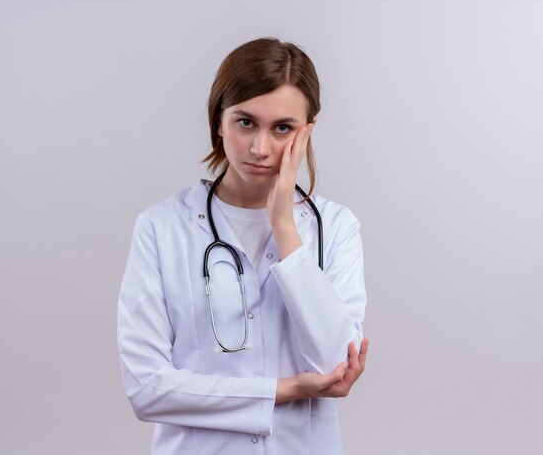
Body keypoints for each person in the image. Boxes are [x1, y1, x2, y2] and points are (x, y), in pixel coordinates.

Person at [118, 37, 369, 455]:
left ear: (307, 131)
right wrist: (283, 390)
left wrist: (285, 228)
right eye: (245, 122)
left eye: (282, 128)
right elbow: (146, 388)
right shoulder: (161, 228)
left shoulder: (337, 228)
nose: (260, 148)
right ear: (218, 119)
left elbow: (336, 367)